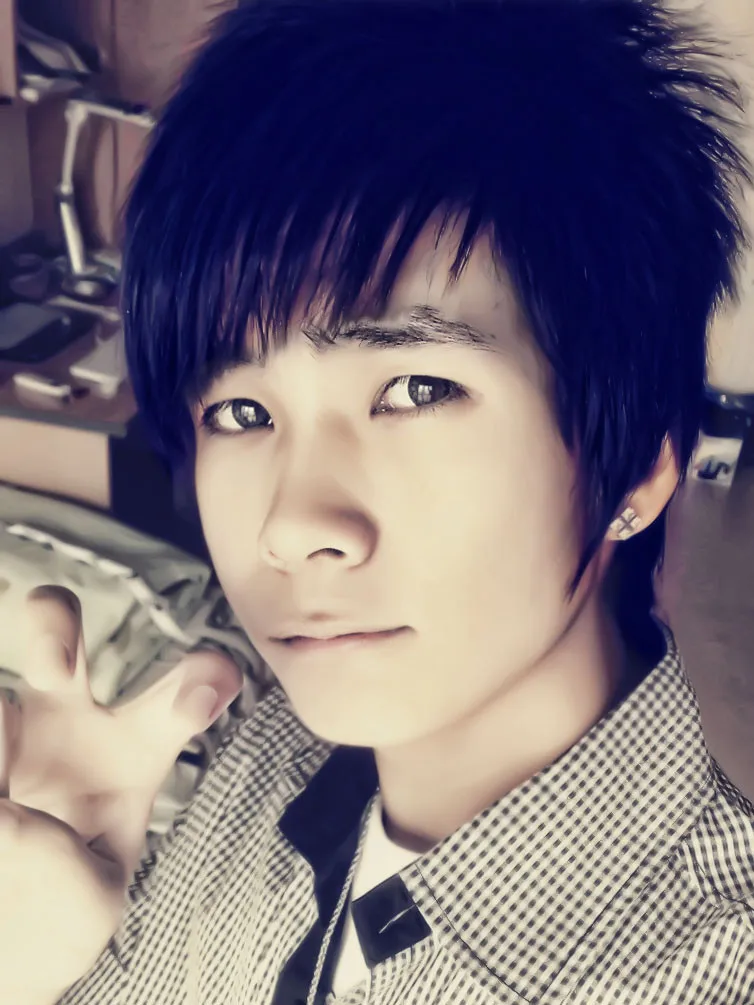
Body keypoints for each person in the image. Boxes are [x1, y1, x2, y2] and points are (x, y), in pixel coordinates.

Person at [1, 0, 753, 1002]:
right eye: (240, 411)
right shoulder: (275, 752)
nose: (291, 527)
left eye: (415, 390)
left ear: (635, 472)